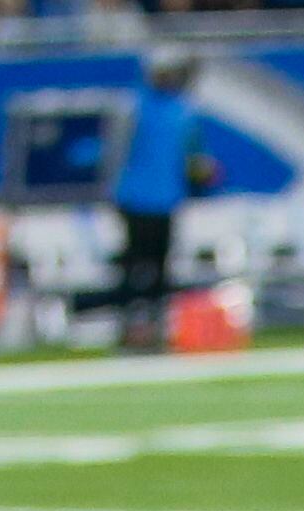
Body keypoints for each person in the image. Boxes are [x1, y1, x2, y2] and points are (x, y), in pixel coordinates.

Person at [112, 53, 200, 350]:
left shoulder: (177, 110)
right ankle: (131, 329)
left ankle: (156, 329)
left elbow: (193, 160)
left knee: (156, 269)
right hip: (139, 198)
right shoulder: (141, 107)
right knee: (136, 268)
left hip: (160, 199)